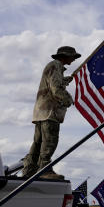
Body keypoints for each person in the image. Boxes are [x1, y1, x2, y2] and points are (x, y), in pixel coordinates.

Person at [22, 46, 80, 179]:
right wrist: (68, 99)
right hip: (49, 111)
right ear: (65, 56)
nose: (73, 59)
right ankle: (44, 169)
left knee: (38, 142)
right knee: (50, 140)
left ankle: (30, 170)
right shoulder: (56, 65)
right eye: (72, 56)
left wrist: (65, 80)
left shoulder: (54, 67)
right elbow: (56, 88)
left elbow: (53, 82)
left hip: (41, 111)